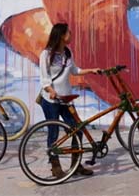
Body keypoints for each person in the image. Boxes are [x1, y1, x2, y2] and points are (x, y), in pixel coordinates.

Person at [38, 23, 101, 178]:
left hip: (66, 99)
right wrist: (51, 91)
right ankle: (55, 166)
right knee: (53, 133)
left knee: (77, 131)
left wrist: (91, 70)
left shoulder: (67, 52)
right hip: (51, 100)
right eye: (69, 33)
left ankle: (75, 165)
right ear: (61, 36)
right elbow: (44, 79)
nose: (71, 35)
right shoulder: (45, 54)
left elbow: (75, 70)